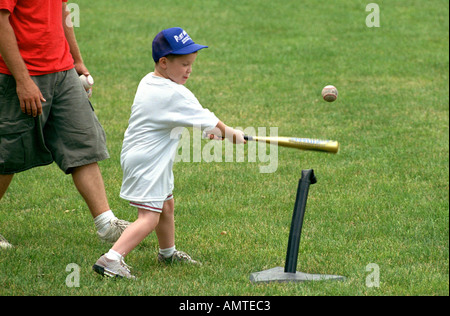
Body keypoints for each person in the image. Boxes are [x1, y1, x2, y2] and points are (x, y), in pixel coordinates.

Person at [92, 27, 246, 279]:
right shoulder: (174, 93)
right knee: (149, 217)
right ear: (164, 62)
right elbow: (206, 117)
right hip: (147, 160)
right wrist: (231, 134)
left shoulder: (150, 80)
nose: (189, 70)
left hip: (145, 155)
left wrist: (213, 131)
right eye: (184, 64)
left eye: (192, 64)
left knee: (166, 204)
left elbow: (179, 118)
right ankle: (112, 259)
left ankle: (167, 253)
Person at [0, 0, 130, 249]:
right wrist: (23, 80)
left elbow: (63, 11)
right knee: (8, 154)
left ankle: (106, 223)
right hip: (18, 74)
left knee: (82, 142)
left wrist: (76, 60)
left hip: (63, 71)